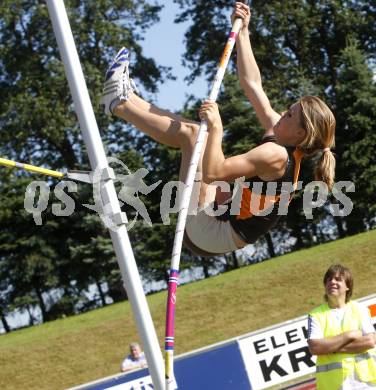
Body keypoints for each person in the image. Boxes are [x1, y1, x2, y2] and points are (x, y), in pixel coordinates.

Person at [99, 2, 336, 257]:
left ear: (300, 134)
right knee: (195, 136)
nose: (282, 115)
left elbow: (212, 172)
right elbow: (252, 84)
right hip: (219, 215)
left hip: (214, 233)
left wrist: (218, 126)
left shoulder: (277, 156)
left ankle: (120, 102)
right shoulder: (282, 136)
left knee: (193, 135)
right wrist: (244, 32)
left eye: (290, 115)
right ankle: (124, 98)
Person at [307, 264, 376, 389]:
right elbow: (315, 347)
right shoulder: (315, 315)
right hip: (334, 385)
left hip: (365, 383)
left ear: (347, 286)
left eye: (338, 279)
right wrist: (349, 335)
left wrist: (329, 347)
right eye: (329, 279)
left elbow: (370, 341)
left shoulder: (360, 309)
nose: (332, 282)